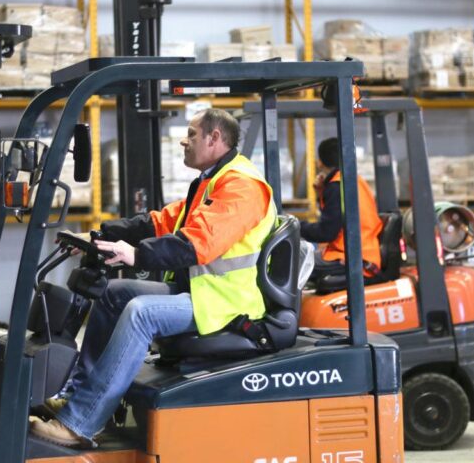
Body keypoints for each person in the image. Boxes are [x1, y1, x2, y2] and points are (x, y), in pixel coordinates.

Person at [30, 108, 277, 446]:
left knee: (141, 312)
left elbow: (198, 244)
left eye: (191, 134)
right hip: (203, 291)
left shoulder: (242, 186)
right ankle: (77, 395)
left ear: (215, 138)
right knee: (114, 293)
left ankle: (80, 424)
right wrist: (99, 235)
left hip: (226, 302)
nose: (184, 141)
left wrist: (136, 255)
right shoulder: (212, 182)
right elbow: (159, 222)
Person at [300, 137, 383, 285]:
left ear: (320, 162)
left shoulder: (336, 187)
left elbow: (326, 232)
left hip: (350, 257)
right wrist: (322, 192)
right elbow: (335, 218)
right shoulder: (353, 179)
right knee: (304, 258)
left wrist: (297, 227)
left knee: (294, 264)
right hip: (363, 251)